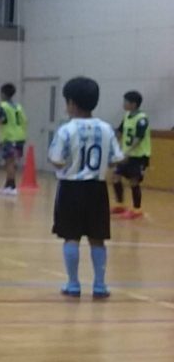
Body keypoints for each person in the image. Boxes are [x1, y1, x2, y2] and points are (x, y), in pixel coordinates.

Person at [48, 76, 123, 298]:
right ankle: (100, 285)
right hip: (97, 189)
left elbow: (56, 159)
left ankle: (73, 284)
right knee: (97, 238)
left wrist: (67, 163)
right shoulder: (107, 129)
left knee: (71, 236)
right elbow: (116, 159)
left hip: (71, 188)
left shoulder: (66, 130)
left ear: (71, 102)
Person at [111, 90, 150, 220]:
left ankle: (137, 209)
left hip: (139, 155)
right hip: (126, 154)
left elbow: (138, 138)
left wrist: (127, 152)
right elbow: (120, 131)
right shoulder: (127, 116)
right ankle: (120, 205)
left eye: (126, 102)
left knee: (134, 181)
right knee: (116, 177)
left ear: (133, 104)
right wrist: (112, 145)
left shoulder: (142, 119)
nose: (123, 104)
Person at [0, 83, 27, 196]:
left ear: (3, 94)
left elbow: (2, 120)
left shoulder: (4, 106)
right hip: (20, 137)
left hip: (10, 137)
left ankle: (12, 187)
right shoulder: (18, 107)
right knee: (12, 162)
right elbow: (24, 120)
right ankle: (8, 186)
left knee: (9, 162)